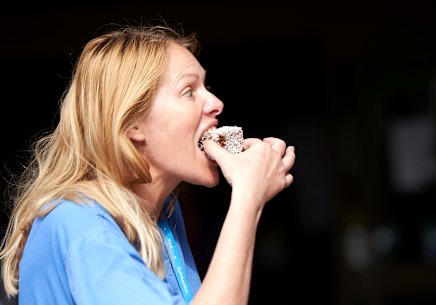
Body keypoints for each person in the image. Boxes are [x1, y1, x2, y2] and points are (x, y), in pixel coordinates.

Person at [0, 21, 295, 305]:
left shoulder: (164, 214)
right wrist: (247, 196)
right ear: (133, 124)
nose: (216, 102)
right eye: (188, 91)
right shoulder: (83, 226)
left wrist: (251, 193)